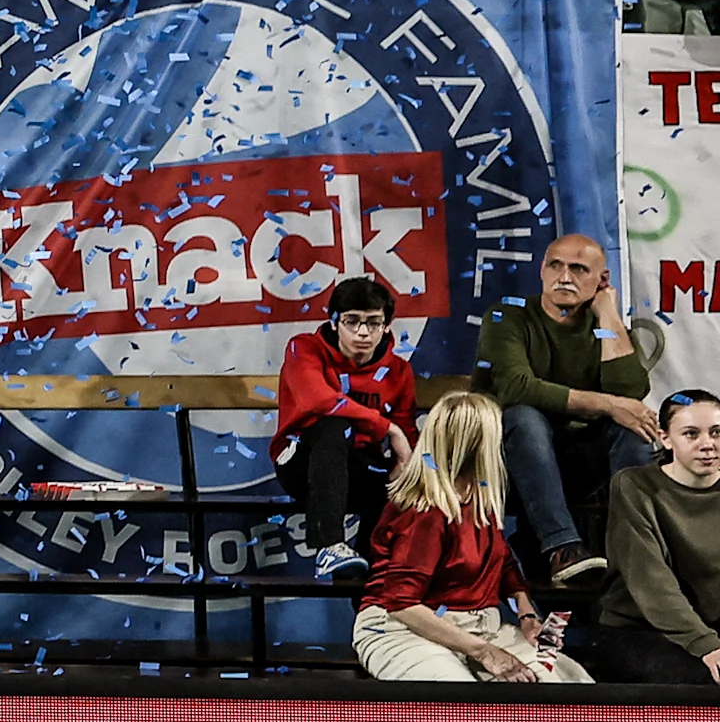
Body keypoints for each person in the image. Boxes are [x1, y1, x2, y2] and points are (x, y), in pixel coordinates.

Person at [354, 391, 593, 685]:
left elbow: (503, 565)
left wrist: (526, 616)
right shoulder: (425, 510)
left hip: (479, 626)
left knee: (562, 683)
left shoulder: (479, 497)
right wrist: (485, 653)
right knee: (460, 700)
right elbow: (402, 603)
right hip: (402, 628)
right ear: (479, 446)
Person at [478, 233, 657, 591]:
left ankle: (636, 550)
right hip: (511, 465)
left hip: (581, 464)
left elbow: (630, 394)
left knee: (634, 430)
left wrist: (607, 312)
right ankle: (563, 548)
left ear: (601, 280)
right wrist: (606, 404)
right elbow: (516, 387)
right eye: (555, 266)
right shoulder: (506, 316)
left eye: (579, 269)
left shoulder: (604, 326)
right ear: (542, 270)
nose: (564, 277)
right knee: (524, 416)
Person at [273, 273, 415, 578]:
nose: (362, 332)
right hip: (302, 463)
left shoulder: (399, 371)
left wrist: (407, 465)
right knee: (333, 425)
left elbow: (407, 431)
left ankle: (369, 591)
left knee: (395, 482)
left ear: (387, 326)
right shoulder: (303, 349)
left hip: (361, 467)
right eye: (352, 321)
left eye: (373, 322)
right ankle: (329, 546)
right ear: (335, 322)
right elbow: (318, 401)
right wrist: (388, 428)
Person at [597, 389, 720, 682]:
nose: (708, 445)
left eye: (716, 433)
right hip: (640, 630)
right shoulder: (635, 487)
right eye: (691, 434)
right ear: (666, 439)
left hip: (711, 625)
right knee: (699, 679)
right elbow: (651, 580)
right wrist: (707, 645)